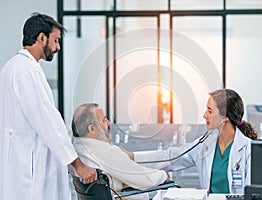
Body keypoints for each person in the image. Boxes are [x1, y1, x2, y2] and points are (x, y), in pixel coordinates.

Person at [0, 13, 97, 200]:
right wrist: (78, 165)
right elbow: (48, 121)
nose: (58, 47)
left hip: (17, 168)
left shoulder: (11, 68)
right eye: (56, 40)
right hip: (30, 169)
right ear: (41, 37)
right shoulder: (27, 71)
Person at [122, 89, 257, 194]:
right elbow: (172, 157)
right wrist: (133, 157)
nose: (205, 115)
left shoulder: (248, 150)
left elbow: (253, 194)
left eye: (210, 111)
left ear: (225, 117)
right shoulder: (205, 145)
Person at [69, 103, 169, 199]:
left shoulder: (75, 152)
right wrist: (163, 175)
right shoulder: (104, 152)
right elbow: (144, 179)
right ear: (92, 129)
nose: (109, 123)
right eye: (104, 120)